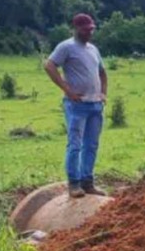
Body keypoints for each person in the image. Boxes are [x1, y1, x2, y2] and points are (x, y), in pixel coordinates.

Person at [44, 13, 108, 198]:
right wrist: (67, 89)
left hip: (95, 105)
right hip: (77, 105)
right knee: (75, 145)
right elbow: (49, 65)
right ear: (76, 29)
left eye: (91, 29)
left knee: (92, 145)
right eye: (86, 29)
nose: (89, 32)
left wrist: (103, 93)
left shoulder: (93, 49)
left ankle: (88, 182)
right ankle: (74, 183)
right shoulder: (66, 47)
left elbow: (102, 72)